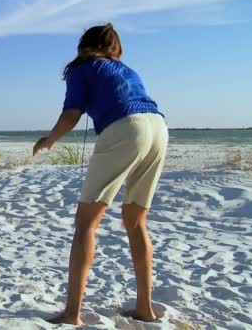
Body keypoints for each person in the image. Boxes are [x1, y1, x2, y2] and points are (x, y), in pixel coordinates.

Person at [33, 23, 168, 325]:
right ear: (114, 48)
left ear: (84, 44)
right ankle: (144, 309)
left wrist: (50, 139)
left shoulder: (82, 67)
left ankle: (72, 313)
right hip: (159, 127)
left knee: (85, 225)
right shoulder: (128, 70)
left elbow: (72, 112)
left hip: (126, 128)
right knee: (135, 222)